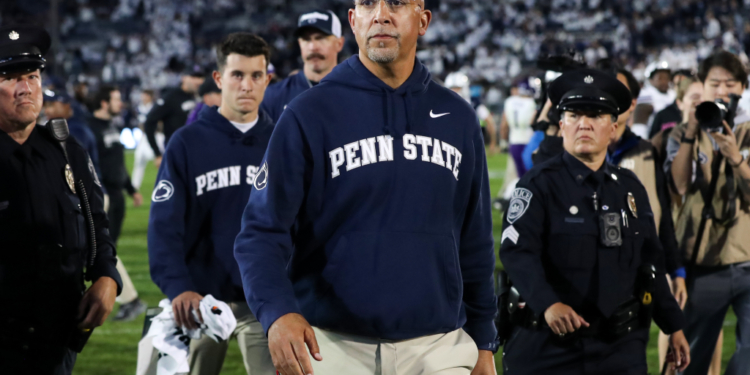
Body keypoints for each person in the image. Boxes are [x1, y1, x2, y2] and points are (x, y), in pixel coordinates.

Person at [234, 1, 497, 374]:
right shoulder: (308, 113)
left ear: (422, 21)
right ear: (353, 21)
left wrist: (484, 340)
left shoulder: (458, 117)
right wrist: (278, 312)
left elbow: (475, 240)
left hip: (439, 347)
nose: (381, 15)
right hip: (333, 345)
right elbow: (261, 233)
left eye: (397, 3)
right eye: (367, 3)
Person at [499, 68, 690, 374]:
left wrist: (673, 325)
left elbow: (650, 262)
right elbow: (517, 254)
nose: (584, 124)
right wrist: (549, 304)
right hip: (547, 348)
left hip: (620, 350)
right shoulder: (536, 186)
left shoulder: (629, 187)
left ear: (613, 127)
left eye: (596, 116)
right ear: (561, 125)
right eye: (574, 115)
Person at [148, 32, 275, 375]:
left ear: (268, 79)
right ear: (219, 79)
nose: (247, 85)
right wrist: (178, 288)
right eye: (237, 74)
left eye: (256, 75)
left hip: (266, 301)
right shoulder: (187, 143)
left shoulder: (282, 142)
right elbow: (164, 224)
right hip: (200, 299)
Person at [0, 25, 121, 374]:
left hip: (56, 348)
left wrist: (106, 277)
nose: (26, 88)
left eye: (32, 76)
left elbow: (97, 225)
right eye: (10, 78)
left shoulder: (68, 152)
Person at [666, 50, 750, 375]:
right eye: (714, 82)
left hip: (746, 257)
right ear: (702, 85)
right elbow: (680, 184)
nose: (722, 90)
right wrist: (690, 130)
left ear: (743, 87)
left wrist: (736, 158)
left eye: (731, 83)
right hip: (703, 263)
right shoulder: (685, 131)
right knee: (693, 357)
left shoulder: (747, 129)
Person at [86, 86, 147, 322]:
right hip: (102, 195)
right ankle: (128, 298)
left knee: (108, 250)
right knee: (103, 249)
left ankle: (129, 299)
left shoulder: (112, 125)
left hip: (117, 196)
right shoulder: (89, 128)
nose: (120, 103)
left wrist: (131, 189)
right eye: (116, 99)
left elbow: (118, 163)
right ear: (103, 103)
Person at [261, 9, 345, 123]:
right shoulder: (273, 96)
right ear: (300, 43)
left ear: (339, 44)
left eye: (320, 38)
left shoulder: (358, 93)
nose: (312, 47)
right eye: (306, 39)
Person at [144, 67, 204, 168]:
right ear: (183, 78)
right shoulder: (170, 96)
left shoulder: (200, 97)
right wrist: (157, 154)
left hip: (196, 151)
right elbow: (149, 122)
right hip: (177, 152)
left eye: (200, 77)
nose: (198, 80)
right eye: (193, 76)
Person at [42, 89, 102, 180]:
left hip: (82, 189)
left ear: (66, 106)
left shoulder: (75, 131)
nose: (46, 111)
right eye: (45, 106)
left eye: (51, 105)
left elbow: (76, 167)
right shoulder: (72, 127)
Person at [445, 71, 499, 154]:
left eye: (457, 88)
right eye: (452, 88)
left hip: (470, 146)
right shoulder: (441, 104)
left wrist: (493, 142)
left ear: (464, 88)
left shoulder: (474, 103)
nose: (454, 91)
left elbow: (490, 121)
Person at [500, 78, 537, 177]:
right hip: (529, 141)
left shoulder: (509, 101)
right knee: (532, 176)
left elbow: (504, 124)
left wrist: (503, 140)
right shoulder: (532, 103)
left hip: (514, 142)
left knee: (521, 176)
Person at [632, 61, 675, 139]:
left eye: (667, 78)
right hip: (653, 138)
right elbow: (639, 126)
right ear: (651, 80)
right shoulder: (646, 94)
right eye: (660, 78)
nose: (664, 81)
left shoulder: (673, 94)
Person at [131, 89, 163, 191]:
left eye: (145, 95)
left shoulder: (156, 106)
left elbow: (160, 122)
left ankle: (165, 184)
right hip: (144, 137)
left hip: (156, 136)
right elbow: (140, 123)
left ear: (150, 96)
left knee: (160, 162)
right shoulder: (139, 108)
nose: (142, 97)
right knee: (139, 159)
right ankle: (134, 187)